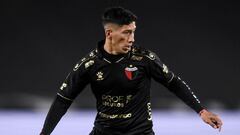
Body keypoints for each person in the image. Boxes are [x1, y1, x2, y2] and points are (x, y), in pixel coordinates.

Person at [40, 7, 223, 135]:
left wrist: (202, 111)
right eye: (126, 33)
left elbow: (173, 83)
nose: (132, 39)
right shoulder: (90, 64)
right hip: (104, 131)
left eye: (133, 32)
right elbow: (63, 100)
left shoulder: (144, 59)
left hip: (139, 132)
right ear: (109, 33)